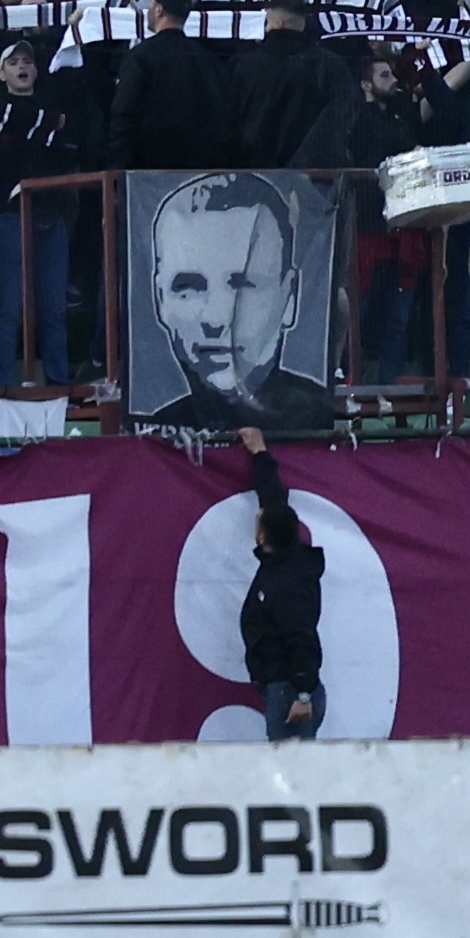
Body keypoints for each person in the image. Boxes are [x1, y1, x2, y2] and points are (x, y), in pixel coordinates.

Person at [135, 175, 339, 433]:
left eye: (244, 285)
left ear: (289, 296)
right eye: (188, 288)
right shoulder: (155, 430)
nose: (216, 318)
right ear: (159, 297)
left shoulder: (313, 417)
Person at [228, 426, 329, 739]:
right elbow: (273, 499)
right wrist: (259, 453)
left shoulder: (286, 584)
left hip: (291, 696)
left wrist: (302, 695)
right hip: (284, 690)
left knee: (293, 781)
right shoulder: (287, 559)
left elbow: (302, 638)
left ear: (262, 537)